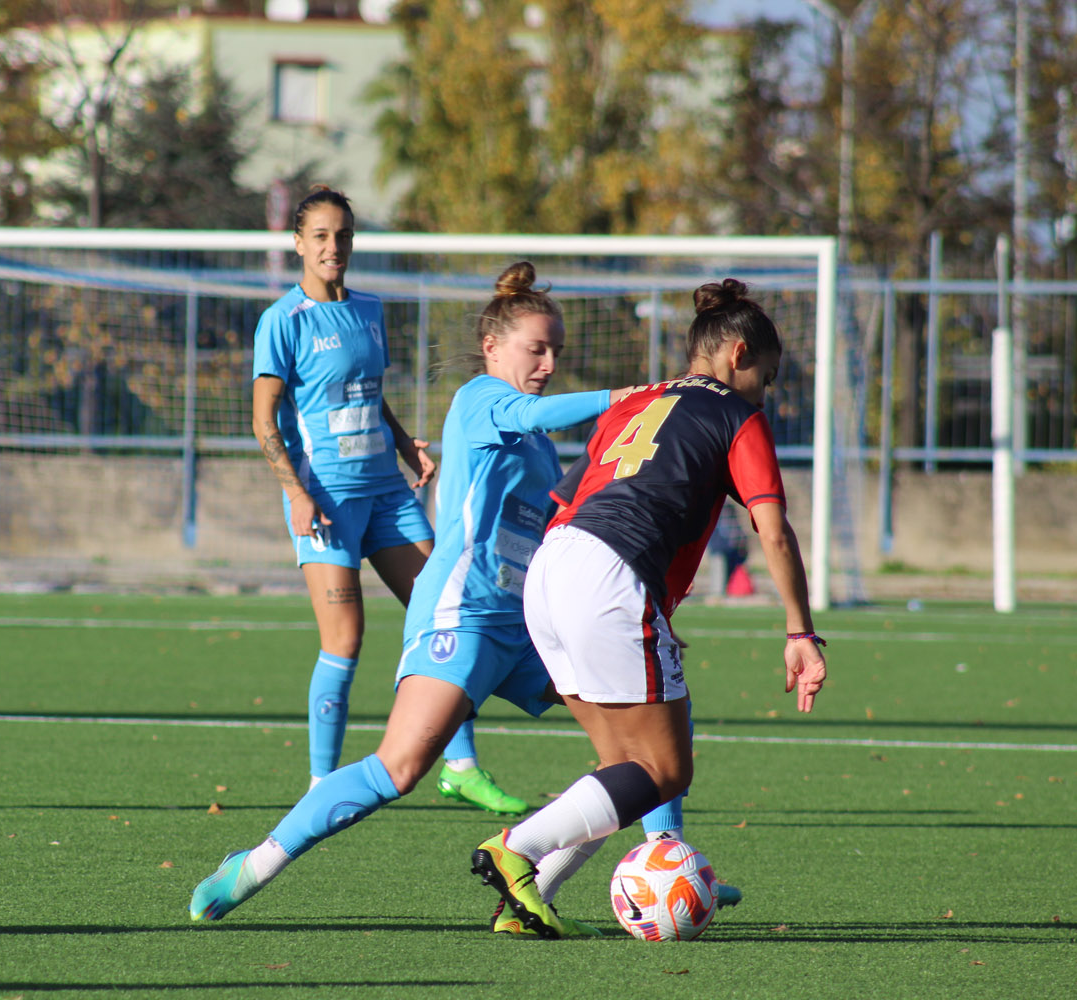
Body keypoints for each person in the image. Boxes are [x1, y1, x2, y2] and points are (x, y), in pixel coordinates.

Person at [193, 261, 625, 927]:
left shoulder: (538, 444)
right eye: (536, 349)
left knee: (637, 746)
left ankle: (616, 871)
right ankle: (253, 865)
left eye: (556, 352)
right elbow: (538, 410)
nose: (547, 364)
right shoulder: (482, 398)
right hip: (463, 615)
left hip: (523, 629)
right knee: (398, 769)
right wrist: (629, 397)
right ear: (492, 346)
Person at [469, 278, 828, 939]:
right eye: (767, 377)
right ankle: (515, 849)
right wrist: (799, 631)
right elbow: (773, 530)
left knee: (623, 769)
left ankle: (527, 899)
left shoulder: (637, 402)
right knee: (666, 772)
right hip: (610, 577)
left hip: (553, 567)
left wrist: (640, 609)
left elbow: (568, 501)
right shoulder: (736, 415)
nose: (766, 394)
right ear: (739, 355)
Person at [251, 185, 527, 814]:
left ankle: (461, 767)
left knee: (446, 617)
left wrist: (406, 446)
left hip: (387, 495)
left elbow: (369, 395)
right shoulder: (283, 321)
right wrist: (294, 491)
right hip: (326, 501)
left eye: (343, 235)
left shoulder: (369, 310)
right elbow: (264, 419)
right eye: (320, 236)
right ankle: (321, 788)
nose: (333, 247)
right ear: (298, 243)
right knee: (345, 640)